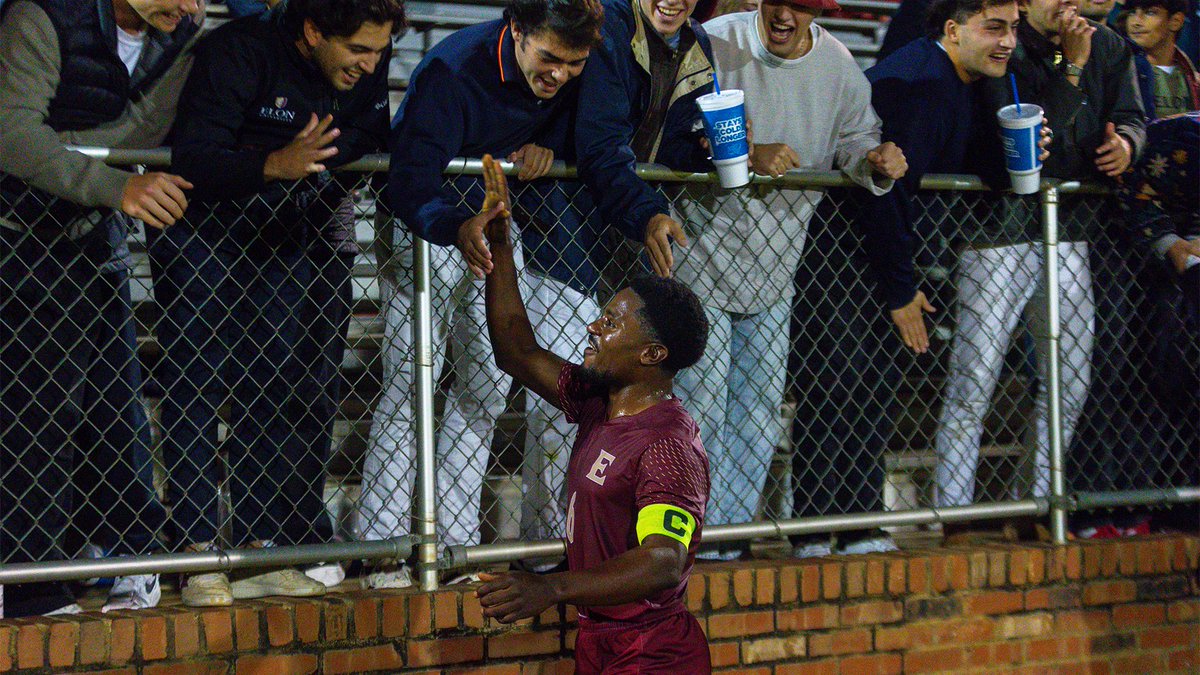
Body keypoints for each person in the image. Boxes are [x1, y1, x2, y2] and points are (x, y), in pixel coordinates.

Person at [157, 0, 402, 606]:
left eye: (379, 51)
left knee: (276, 389)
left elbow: (374, 132)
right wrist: (272, 165)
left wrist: (312, 164)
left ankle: (264, 549)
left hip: (286, 240)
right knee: (197, 388)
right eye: (358, 52)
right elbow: (194, 155)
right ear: (314, 30)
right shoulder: (237, 50)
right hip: (204, 238)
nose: (371, 65)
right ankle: (196, 557)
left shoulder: (366, 56)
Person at [357, 0, 605, 587]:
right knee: (410, 381)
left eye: (574, 64)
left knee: (487, 388)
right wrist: (454, 227)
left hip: (494, 222)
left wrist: (550, 148)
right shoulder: (453, 70)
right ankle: (386, 546)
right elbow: (408, 180)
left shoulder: (566, 74)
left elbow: (572, 133)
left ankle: (456, 545)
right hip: (429, 226)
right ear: (516, 31)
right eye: (549, 58)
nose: (560, 76)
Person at [671, 0, 907, 560]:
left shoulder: (838, 65)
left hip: (778, 265)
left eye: (802, 6)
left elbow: (855, 138)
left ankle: (727, 540)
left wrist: (873, 159)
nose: (786, 15)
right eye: (778, 1)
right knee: (698, 406)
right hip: (698, 253)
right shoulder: (713, 41)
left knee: (758, 410)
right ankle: (685, 539)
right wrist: (747, 151)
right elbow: (672, 126)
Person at [0, 0, 201, 617]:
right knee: (35, 409)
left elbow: (144, 128)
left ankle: (129, 555)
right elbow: (10, 134)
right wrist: (111, 180)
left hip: (91, 232)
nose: (193, 6)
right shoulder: (41, 16)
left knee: (117, 402)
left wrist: (66, 156)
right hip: (15, 234)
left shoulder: (182, 31)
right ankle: (28, 585)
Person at [475, 155, 713, 673]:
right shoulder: (597, 400)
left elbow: (662, 561)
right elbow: (515, 350)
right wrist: (501, 243)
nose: (592, 328)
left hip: (652, 654)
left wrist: (552, 586)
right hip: (601, 643)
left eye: (609, 322)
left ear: (651, 355)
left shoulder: (668, 445)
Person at [938, 0, 1146, 539]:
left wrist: (1127, 142)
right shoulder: (1004, 44)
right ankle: (953, 512)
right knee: (975, 377)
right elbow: (1028, 141)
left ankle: (1033, 505)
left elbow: (1131, 115)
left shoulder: (1109, 46)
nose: (1069, 5)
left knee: (1069, 381)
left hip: (1070, 231)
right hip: (996, 233)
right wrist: (1072, 67)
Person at [574, 0, 716, 281]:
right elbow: (600, 146)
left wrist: (707, 150)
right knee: (570, 318)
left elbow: (668, 145)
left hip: (625, 210)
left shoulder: (695, 39)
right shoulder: (609, 25)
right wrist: (647, 214)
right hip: (569, 208)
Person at [1121, 0, 1199, 118]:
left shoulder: (1192, 79)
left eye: (1150, 13)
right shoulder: (1119, 71)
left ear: (1175, 21)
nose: (1135, 22)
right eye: (1132, 13)